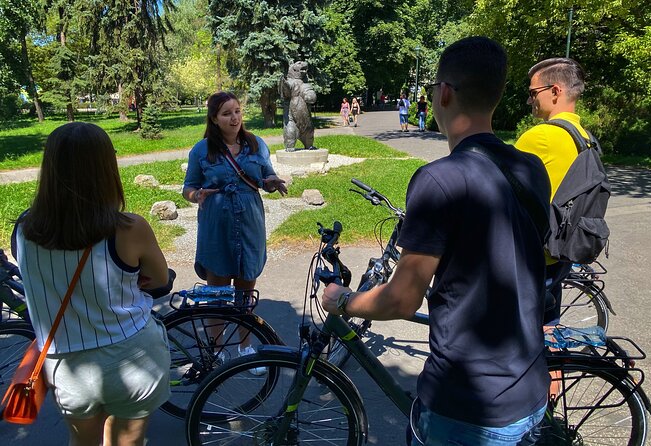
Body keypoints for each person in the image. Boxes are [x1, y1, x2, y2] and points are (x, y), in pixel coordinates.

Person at [322, 37, 551, 445]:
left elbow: (401, 300)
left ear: (443, 93)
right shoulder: (531, 168)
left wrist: (341, 300)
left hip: (468, 408)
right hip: (530, 389)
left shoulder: (438, 180)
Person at [13, 122, 171, 446]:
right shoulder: (129, 228)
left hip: (66, 365)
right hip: (132, 356)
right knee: (128, 441)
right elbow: (159, 280)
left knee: (81, 443)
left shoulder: (24, 229)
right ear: (106, 168)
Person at [182, 92, 286, 372]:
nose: (235, 118)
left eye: (238, 111)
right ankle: (216, 349)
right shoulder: (201, 151)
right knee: (217, 290)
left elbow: (265, 178)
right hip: (216, 225)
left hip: (250, 222)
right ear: (214, 119)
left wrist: (272, 183)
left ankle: (244, 346)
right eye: (227, 113)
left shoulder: (256, 144)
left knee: (245, 286)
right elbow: (188, 188)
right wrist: (197, 195)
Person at [515, 57, 588, 325]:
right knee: (548, 330)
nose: (530, 100)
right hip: (562, 252)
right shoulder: (584, 138)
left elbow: (496, 190)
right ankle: (555, 367)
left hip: (529, 259)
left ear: (555, 91)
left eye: (534, 93)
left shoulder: (540, 137)